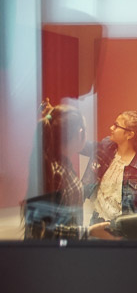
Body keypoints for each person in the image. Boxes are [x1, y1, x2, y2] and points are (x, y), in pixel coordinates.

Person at [23, 103, 114, 240]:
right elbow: (43, 229)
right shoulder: (55, 171)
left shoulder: (62, 163)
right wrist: (88, 231)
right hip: (53, 251)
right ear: (79, 133)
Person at [82, 111, 137, 223]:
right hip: (97, 221)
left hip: (124, 227)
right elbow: (82, 146)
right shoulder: (106, 148)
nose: (111, 128)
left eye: (116, 126)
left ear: (129, 135)